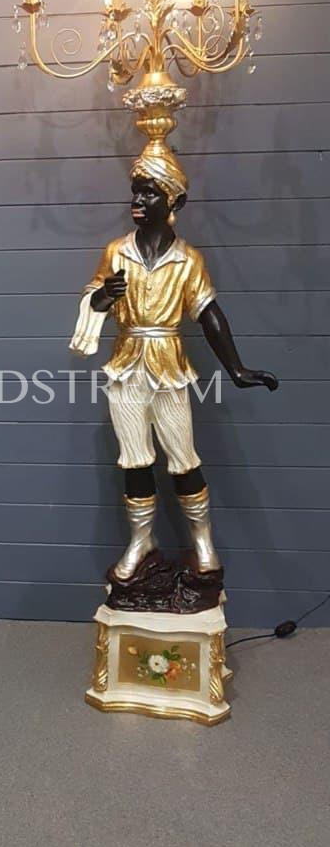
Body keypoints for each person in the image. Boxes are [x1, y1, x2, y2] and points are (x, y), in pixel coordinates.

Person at [71, 139, 277, 582]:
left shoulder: (188, 259)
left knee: (183, 457)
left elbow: (209, 313)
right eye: (136, 192)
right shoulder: (116, 251)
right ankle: (141, 540)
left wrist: (236, 369)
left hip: (168, 366)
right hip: (126, 366)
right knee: (134, 458)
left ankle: (202, 540)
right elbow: (92, 300)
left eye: (150, 193)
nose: (138, 201)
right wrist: (104, 296)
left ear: (174, 202)